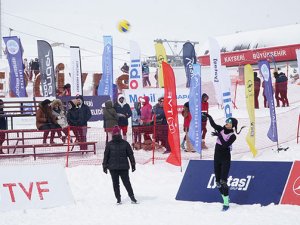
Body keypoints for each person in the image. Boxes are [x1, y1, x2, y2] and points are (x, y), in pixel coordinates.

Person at [205, 113, 245, 211]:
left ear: (233, 125)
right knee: (217, 182)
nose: (227, 123)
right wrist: (209, 116)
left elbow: (225, 145)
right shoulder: (221, 129)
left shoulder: (232, 136)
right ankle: (225, 198)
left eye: (229, 122)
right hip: (216, 158)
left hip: (225, 159)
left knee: (223, 182)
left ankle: (226, 203)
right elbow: (213, 125)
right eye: (227, 121)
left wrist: (219, 136)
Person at [102, 125, 137, 204]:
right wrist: (133, 164)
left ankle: (120, 198)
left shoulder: (110, 144)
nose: (117, 134)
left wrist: (104, 166)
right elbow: (130, 155)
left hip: (114, 168)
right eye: (116, 133)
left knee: (117, 184)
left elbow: (106, 156)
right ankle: (130, 198)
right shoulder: (124, 143)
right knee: (126, 183)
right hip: (120, 167)